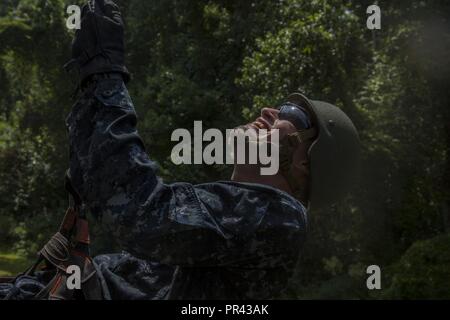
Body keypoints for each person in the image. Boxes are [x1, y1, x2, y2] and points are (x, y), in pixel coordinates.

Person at [33, 0, 361, 300]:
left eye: (292, 114)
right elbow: (106, 187)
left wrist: (105, 74)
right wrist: (91, 85)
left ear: (306, 162)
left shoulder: (277, 217)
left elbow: (141, 215)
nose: (268, 112)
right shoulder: (232, 222)